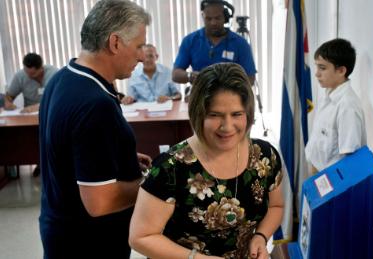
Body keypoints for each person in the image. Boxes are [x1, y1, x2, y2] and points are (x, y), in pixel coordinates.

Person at [129, 63, 284, 259]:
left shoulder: (264, 156)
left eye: (237, 114)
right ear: (197, 114)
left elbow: (276, 207)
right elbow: (140, 237)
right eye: (215, 115)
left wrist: (260, 237)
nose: (227, 127)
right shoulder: (170, 168)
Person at [38, 1, 152, 258]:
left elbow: (67, 149)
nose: (142, 56)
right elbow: (101, 201)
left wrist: (118, 159)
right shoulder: (94, 105)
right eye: (139, 46)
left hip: (60, 231)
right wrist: (151, 184)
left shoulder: (64, 77)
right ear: (115, 43)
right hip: (89, 244)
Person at [304, 38, 366, 173]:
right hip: (316, 174)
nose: (316, 73)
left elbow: (349, 160)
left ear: (341, 71)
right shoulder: (328, 93)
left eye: (322, 68)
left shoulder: (347, 106)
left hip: (331, 183)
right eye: (317, 66)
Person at [172, 0, 256, 86]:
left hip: (229, 95)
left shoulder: (240, 43)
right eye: (208, 19)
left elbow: (250, 78)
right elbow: (175, 74)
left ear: (225, 18)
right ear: (203, 17)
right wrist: (190, 76)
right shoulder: (190, 41)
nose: (213, 23)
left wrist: (230, 85)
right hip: (201, 95)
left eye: (217, 18)